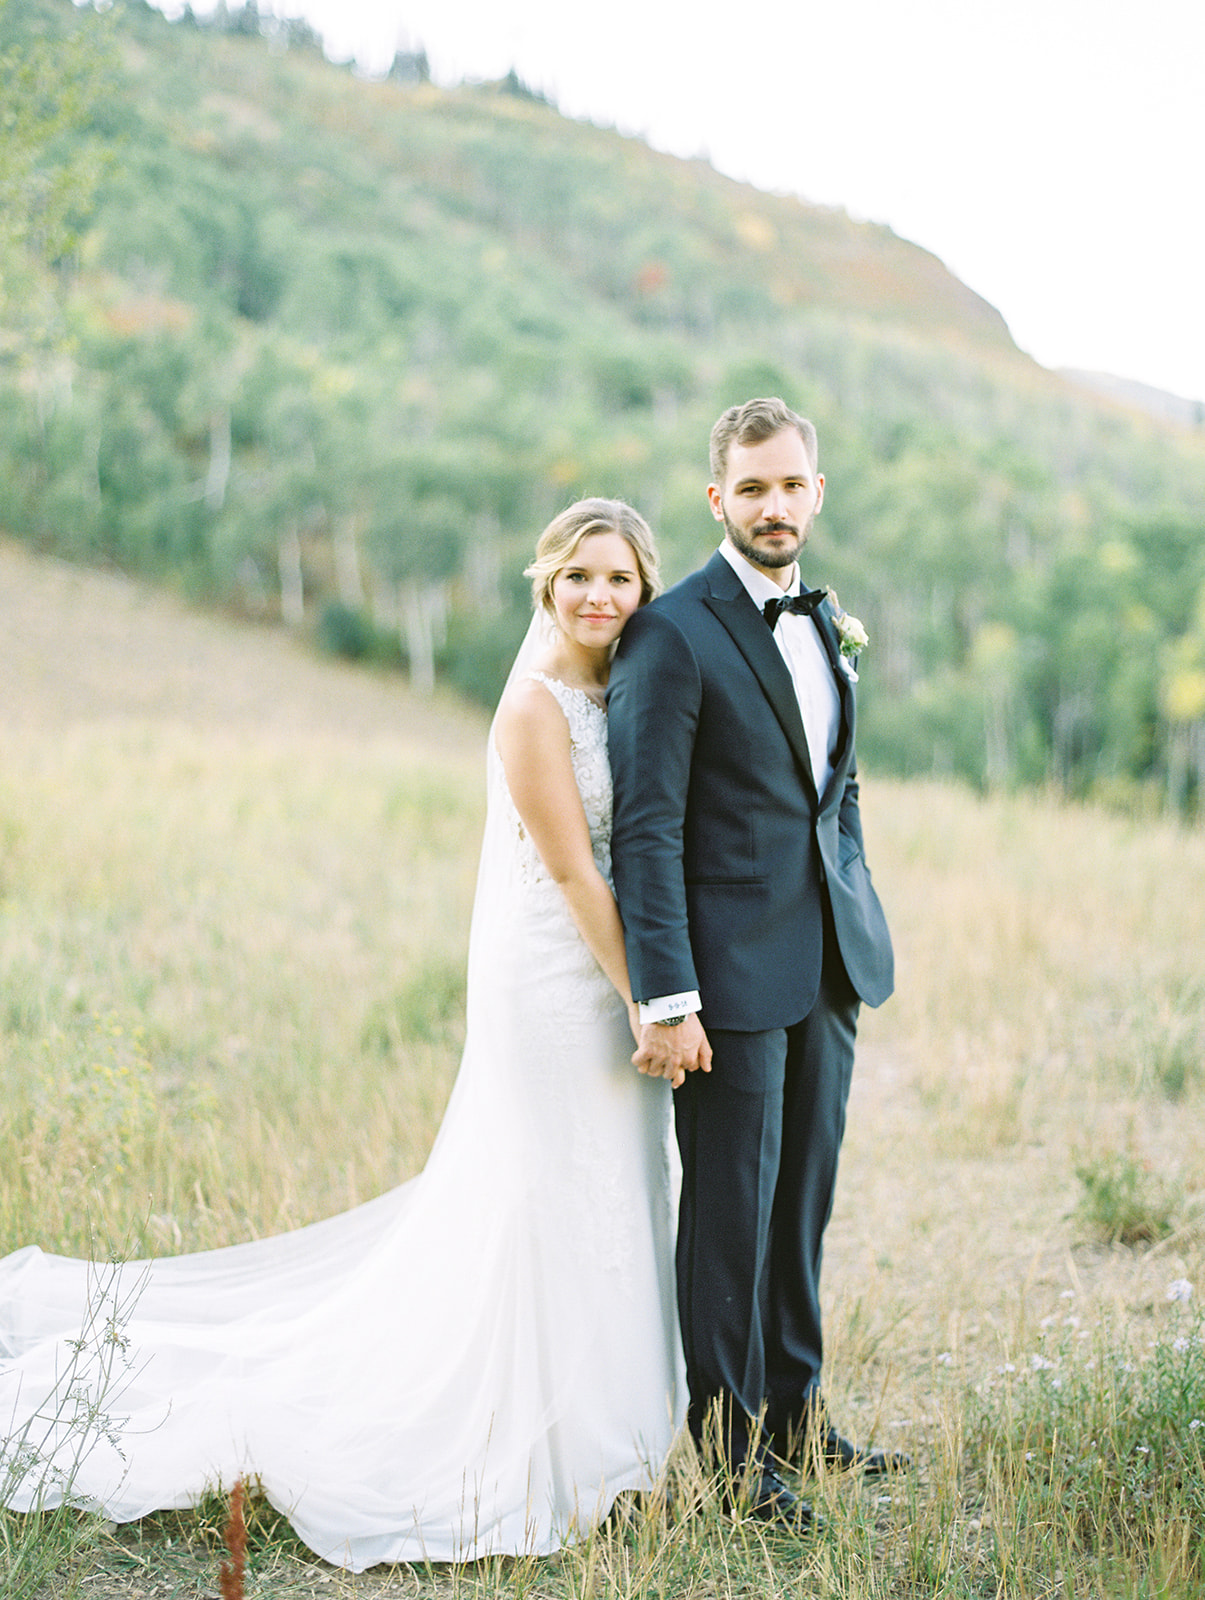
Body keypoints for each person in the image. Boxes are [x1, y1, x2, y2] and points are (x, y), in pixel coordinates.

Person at [0, 500, 684, 1572]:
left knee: (617, 1178)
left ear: (645, 589)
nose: (599, 596)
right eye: (578, 577)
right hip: (554, 984)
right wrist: (652, 997)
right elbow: (568, 871)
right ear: (544, 583)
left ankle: (620, 1431)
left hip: (607, 976)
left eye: (619, 580)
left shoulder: (621, 684)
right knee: (547, 1189)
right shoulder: (531, 710)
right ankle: (536, 1441)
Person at [607, 398, 904, 1529]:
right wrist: (667, 993)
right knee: (730, 1212)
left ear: (814, 492)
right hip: (723, 982)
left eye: (790, 486)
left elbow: (838, 785)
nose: (772, 506)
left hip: (827, 967)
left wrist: (855, 895)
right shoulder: (673, 632)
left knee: (801, 1201)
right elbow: (646, 828)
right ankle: (731, 1464)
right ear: (715, 498)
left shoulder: (825, 623)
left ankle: (794, 1417)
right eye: (751, 488)